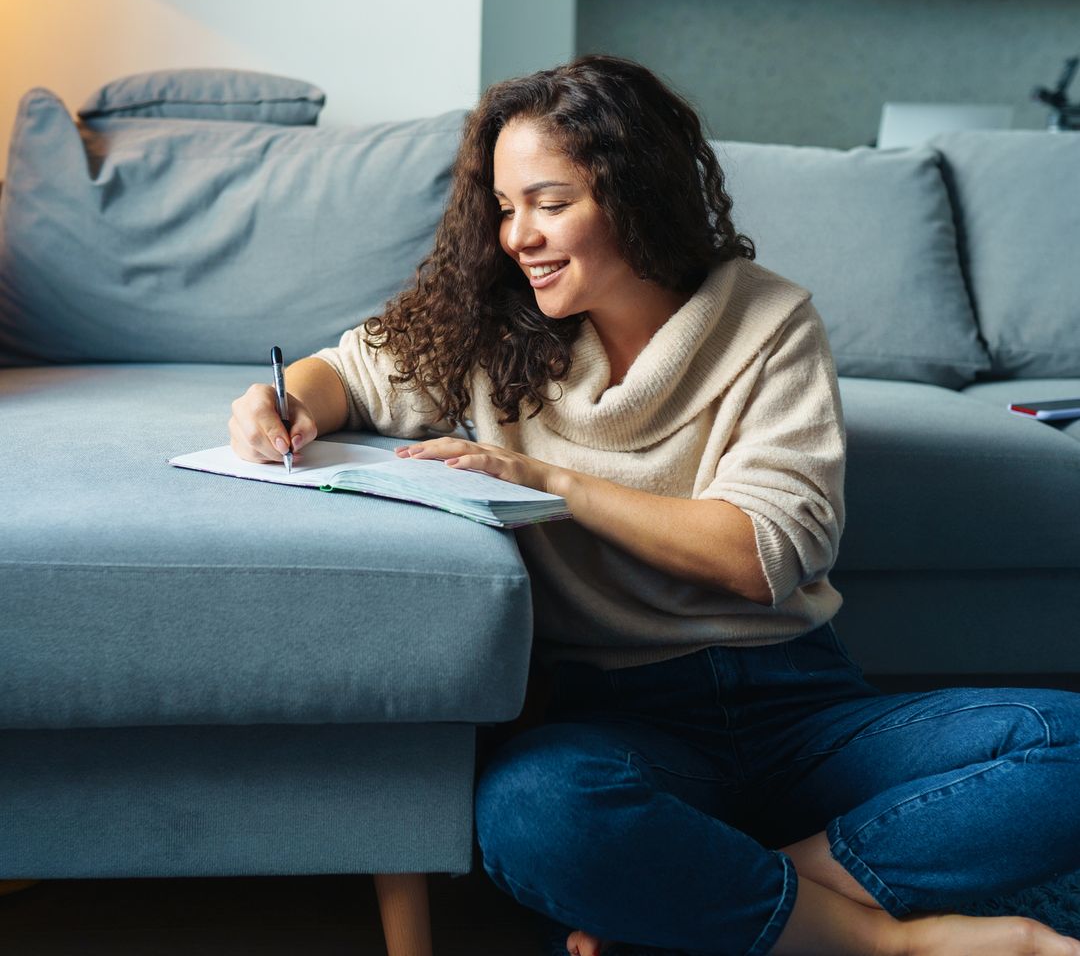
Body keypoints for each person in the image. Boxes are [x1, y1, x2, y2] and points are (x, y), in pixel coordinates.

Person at [229, 55, 1080, 956]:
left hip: (803, 707)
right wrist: (281, 403)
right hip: (619, 717)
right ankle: (886, 942)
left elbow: (761, 553)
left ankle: (730, 893)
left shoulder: (769, 323)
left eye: (550, 204)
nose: (519, 236)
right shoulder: (485, 322)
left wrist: (551, 484)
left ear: (634, 193)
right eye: (506, 208)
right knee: (536, 814)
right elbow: (349, 373)